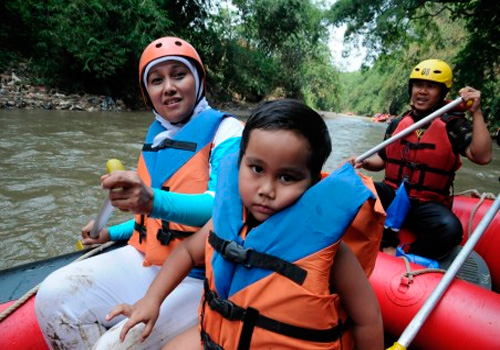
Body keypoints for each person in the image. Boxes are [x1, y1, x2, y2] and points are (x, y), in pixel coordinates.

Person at [107, 99, 384, 350]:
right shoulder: (227, 220)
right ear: (240, 163)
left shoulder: (331, 254)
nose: (266, 190)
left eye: (287, 177)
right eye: (257, 169)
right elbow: (186, 252)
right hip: (219, 339)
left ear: (313, 183)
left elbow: (367, 320)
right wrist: (152, 300)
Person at [34, 36, 244, 350]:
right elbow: (156, 224)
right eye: (157, 80)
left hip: (198, 276)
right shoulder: (157, 136)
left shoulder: (228, 132)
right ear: (148, 94)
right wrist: (111, 233)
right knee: (52, 295)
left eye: (179, 74)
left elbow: (219, 208)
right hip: (145, 259)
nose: (168, 87)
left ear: (199, 80)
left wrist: (151, 200)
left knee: (111, 346)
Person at [351, 59, 492, 259]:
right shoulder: (399, 123)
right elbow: (381, 161)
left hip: (427, 203)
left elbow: (483, 156)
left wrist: (476, 112)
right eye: (418, 85)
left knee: (450, 229)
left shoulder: (454, 126)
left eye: (431, 86)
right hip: (392, 194)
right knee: (351, 187)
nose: (422, 91)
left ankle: (408, 259)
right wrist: (363, 162)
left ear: (443, 93)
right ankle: (376, 242)